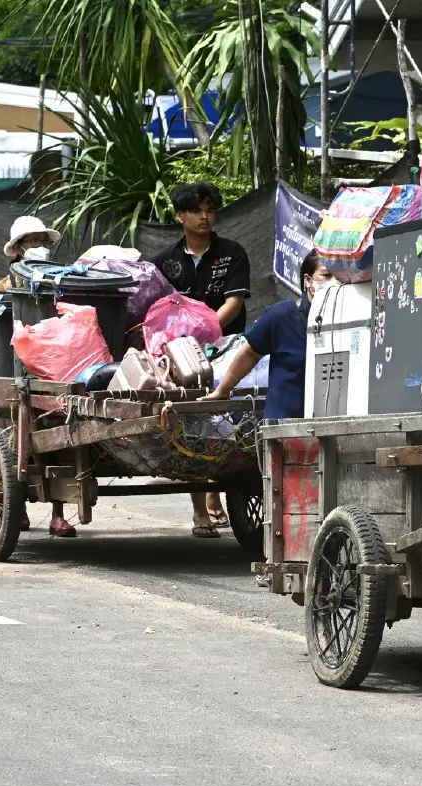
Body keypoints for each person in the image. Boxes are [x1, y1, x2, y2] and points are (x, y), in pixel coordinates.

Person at [203, 250, 328, 572]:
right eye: (327, 276)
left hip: (330, 425)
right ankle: (278, 561)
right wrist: (222, 390)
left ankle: (318, 560)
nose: (334, 284)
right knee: (285, 497)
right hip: (284, 425)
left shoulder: (351, 320)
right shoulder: (281, 316)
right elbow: (248, 354)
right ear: (308, 281)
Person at [152, 182, 252, 537]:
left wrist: (205, 332)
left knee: (227, 419)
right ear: (181, 215)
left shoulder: (232, 253)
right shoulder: (164, 262)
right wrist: (182, 345)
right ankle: (200, 510)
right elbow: (158, 310)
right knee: (191, 422)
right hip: (178, 354)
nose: (204, 217)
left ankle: (217, 492)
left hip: (227, 346)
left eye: (210, 210)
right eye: (196, 211)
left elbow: (234, 303)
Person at [0, 217, 77, 536]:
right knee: (18, 439)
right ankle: (19, 509)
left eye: (44, 241)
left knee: (62, 437)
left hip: (56, 372)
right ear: (16, 249)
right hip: (20, 375)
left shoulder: (63, 279)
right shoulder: (4, 287)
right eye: (32, 242)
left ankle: (58, 514)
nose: (39, 247)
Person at [0, 216, 60, 291]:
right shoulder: (3, 287)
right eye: (35, 241)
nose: (42, 247)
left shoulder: (59, 281)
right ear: (18, 248)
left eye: (45, 241)